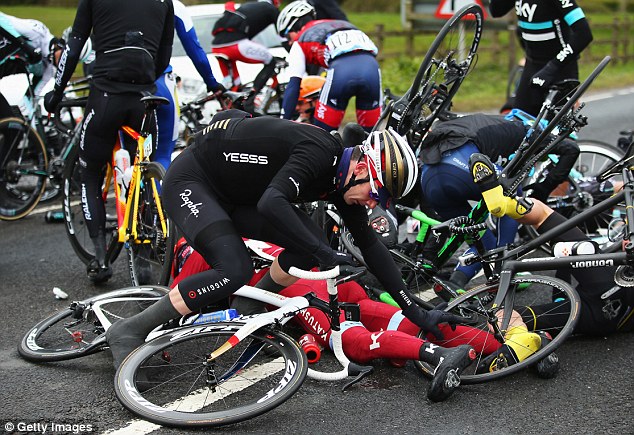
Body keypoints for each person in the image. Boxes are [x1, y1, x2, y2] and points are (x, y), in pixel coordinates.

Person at [106, 111, 476, 400]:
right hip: (194, 180)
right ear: (362, 167)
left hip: (234, 193)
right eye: (376, 195)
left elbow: (370, 245)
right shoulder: (320, 152)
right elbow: (272, 203)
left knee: (306, 242)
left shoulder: (342, 180)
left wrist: (415, 310)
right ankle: (130, 329)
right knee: (234, 267)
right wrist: (325, 252)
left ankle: (247, 310)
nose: (373, 205)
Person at [170, 237, 504, 401]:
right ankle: (512, 349)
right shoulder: (244, 236)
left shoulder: (195, 250)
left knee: (352, 343)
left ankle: (439, 356)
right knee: (407, 321)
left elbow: (176, 302)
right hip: (334, 283)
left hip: (300, 292)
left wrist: (165, 340)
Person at [43, 0, 175, 283]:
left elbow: (73, 48)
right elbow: (164, 57)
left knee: (90, 170)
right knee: (143, 165)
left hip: (106, 94)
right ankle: (147, 228)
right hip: (145, 96)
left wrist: (56, 92)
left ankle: (101, 259)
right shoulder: (165, 2)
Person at [467, 152, 634, 371]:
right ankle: (521, 345)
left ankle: (502, 204)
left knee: (502, 315)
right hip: (612, 317)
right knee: (510, 313)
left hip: (604, 288)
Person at [419, 112, 580, 289]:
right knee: (512, 193)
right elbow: (571, 149)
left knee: (482, 242)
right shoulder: (527, 132)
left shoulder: (494, 127)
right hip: (460, 164)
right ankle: (504, 268)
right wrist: (544, 189)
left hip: (429, 180)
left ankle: (456, 282)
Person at [277, 1, 382, 133]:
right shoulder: (344, 25)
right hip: (371, 69)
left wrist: (282, 122)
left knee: (321, 139)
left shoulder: (300, 39)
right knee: (373, 141)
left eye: (287, 36)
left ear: (296, 26)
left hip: (341, 71)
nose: (289, 42)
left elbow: (293, 86)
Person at [153, 0, 225, 171]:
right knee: (162, 154)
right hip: (160, 82)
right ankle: (159, 195)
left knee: (126, 150)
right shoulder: (173, 5)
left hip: (118, 84)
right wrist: (212, 83)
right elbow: (196, 52)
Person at [489, 0, 593, 116]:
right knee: (518, 125)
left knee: (554, 131)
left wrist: (551, 68)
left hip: (559, 70)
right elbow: (496, 11)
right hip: (531, 67)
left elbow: (584, 34)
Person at [211, 0, 281, 113]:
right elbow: (283, 35)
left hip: (216, 46)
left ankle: (233, 107)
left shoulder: (250, 6)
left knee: (236, 85)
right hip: (235, 44)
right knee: (270, 61)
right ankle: (252, 95)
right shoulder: (271, 9)